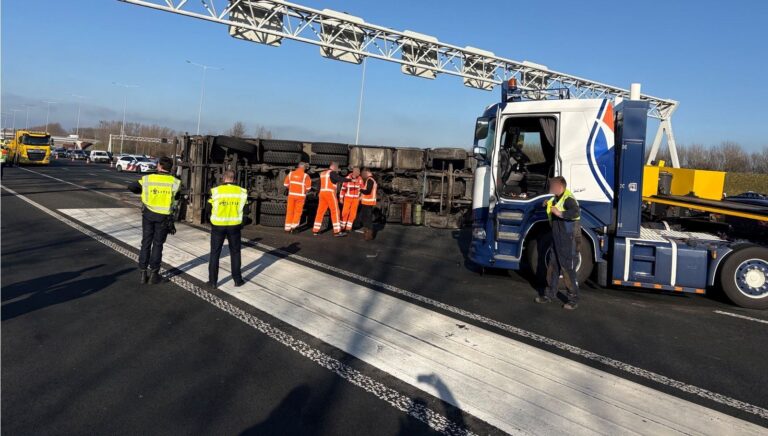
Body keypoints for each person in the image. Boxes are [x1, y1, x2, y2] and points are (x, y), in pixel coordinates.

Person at [128, 156, 181, 285]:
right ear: (170, 168)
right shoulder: (175, 182)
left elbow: (131, 187)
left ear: (159, 166)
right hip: (164, 217)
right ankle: (154, 275)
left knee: (145, 243)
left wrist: (143, 192)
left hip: (148, 214)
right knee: (158, 245)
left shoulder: (147, 179)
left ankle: (142, 273)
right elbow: (177, 197)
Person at [535, 176, 581, 310]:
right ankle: (550, 294)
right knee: (553, 266)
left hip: (566, 239)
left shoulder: (568, 199)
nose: (550, 187)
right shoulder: (556, 198)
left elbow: (575, 212)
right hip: (557, 237)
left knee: (567, 268)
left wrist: (560, 213)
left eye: (552, 185)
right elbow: (553, 205)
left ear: (560, 186)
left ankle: (573, 299)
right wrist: (547, 204)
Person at [207, 169, 249, 289]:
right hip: (234, 226)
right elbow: (246, 211)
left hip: (218, 226)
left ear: (223, 178)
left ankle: (213, 282)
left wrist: (211, 220)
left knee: (215, 253)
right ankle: (237, 280)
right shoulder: (242, 192)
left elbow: (208, 209)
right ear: (234, 179)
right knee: (235, 253)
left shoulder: (215, 191)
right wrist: (242, 223)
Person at [313, 161, 347, 237]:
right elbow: (339, 179)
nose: (337, 170)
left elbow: (319, 184)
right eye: (337, 168)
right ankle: (337, 231)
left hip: (322, 194)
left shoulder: (322, 173)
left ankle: (315, 230)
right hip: (330, 193)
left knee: (320, 212)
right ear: (334, 167)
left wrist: (317, 192)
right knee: (335, 211)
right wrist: (350, 180)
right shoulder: (332, 173)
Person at [283, 162, 312, 233]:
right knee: (298, 212)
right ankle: (294, 227)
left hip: (291, 195)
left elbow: (285, 184)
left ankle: (287, 228)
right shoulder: (306, 176)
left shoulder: (290, 174)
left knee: (289, 211)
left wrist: (292, 188)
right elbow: (308, 188)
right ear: (304, 168)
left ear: (298, 167)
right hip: (300, 196)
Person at [339, 167, 363, 232]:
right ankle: (342, 227)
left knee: (353, 214)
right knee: (345, 212)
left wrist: (361, 197)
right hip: (347, 198)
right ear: (354, 172)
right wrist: (341, 198)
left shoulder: (360, 179)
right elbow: (343, 189)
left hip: (356, 199)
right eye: (358, 172)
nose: (359, 173)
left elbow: (362, 189)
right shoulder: (347, 178)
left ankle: (348, 228)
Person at [359, 168, 378, 241]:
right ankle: (367, 233)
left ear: (367, 172)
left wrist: (360, 189)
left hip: (368, 202)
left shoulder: (370, 180)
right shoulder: (371, 180)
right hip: (367, 202)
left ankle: (369, 235)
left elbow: (367, 191)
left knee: (367, 219)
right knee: (365, 218)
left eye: (363, 173)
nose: (362, 175)